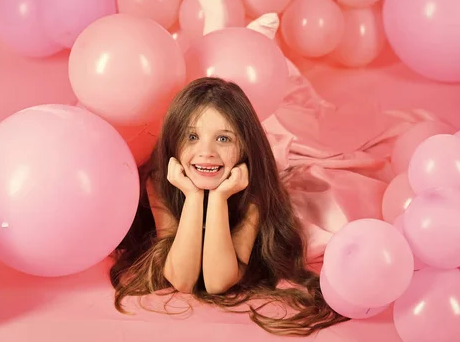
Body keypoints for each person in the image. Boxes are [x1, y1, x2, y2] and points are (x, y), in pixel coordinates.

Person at [109, 75, 350, 336]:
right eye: (192, 136)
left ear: (243, 148)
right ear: (173, 141)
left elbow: (216, 282)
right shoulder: (160, 181)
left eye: (223, 139)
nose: (206, 152)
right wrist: (191, 195)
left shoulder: (253, 193)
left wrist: (219, 198)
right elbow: (182, 280)